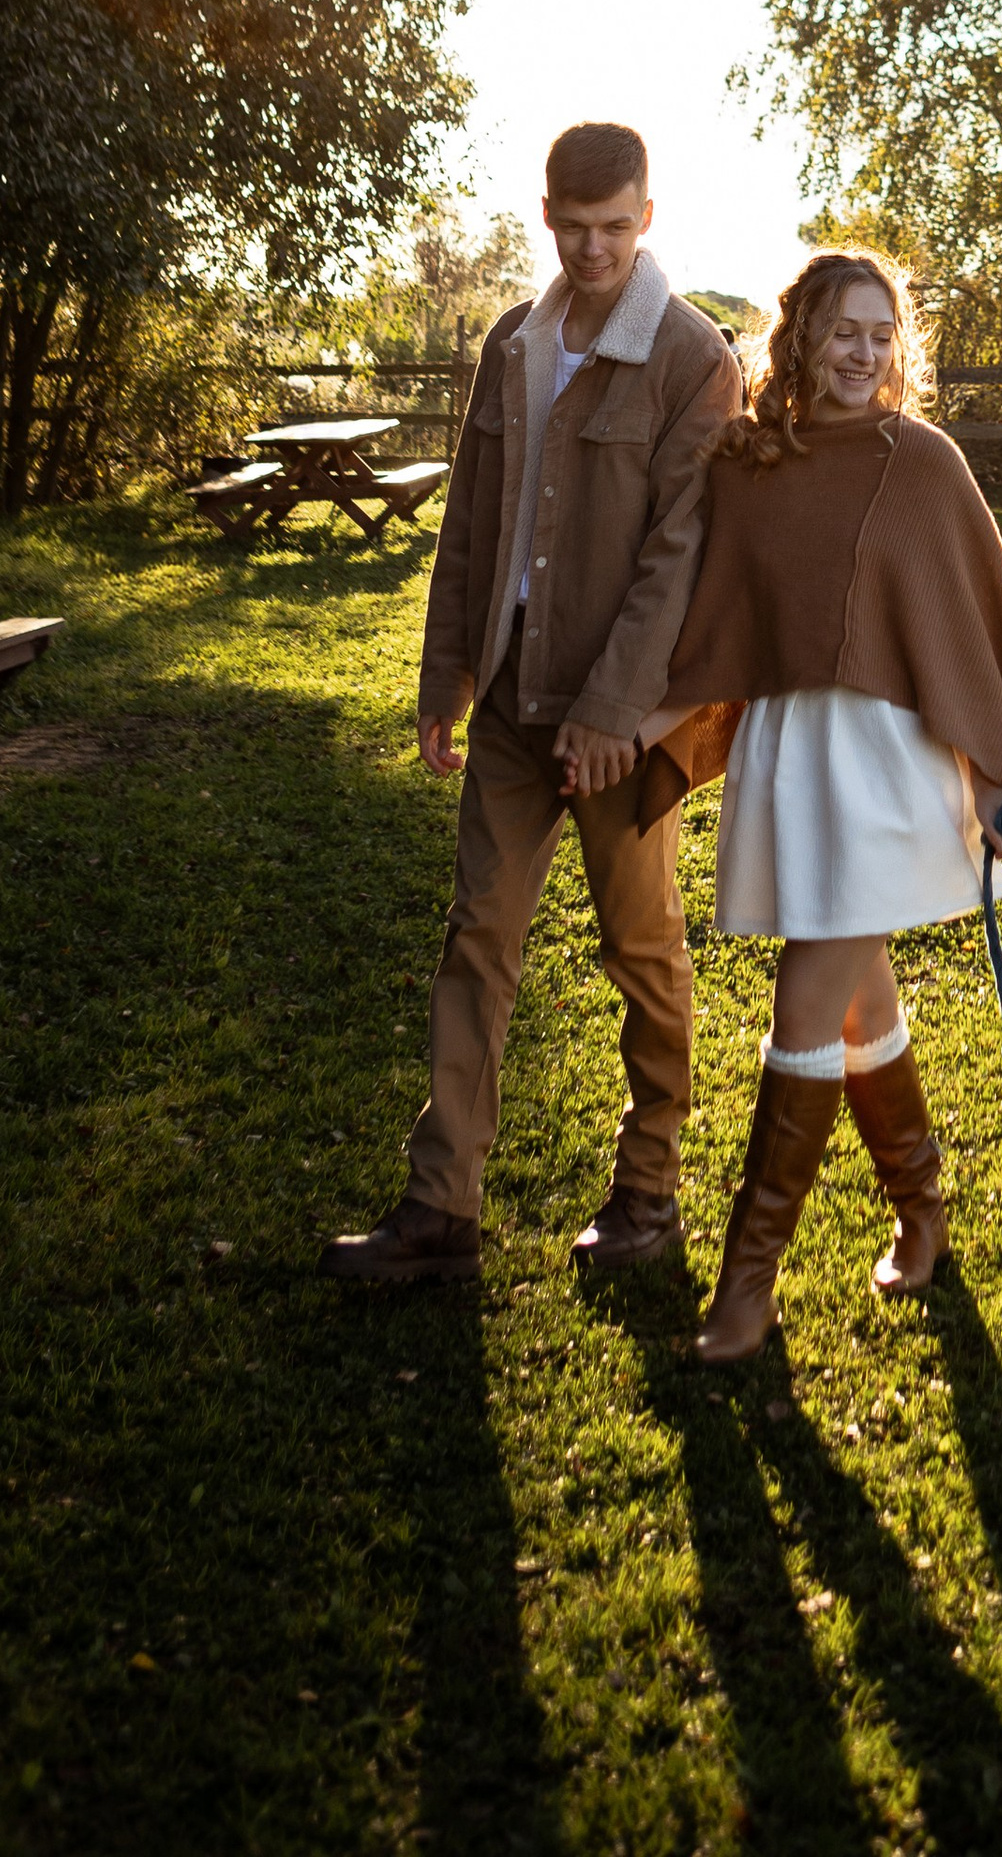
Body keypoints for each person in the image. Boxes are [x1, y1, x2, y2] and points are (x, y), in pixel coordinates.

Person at [320, 120, 744, 1285]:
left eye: (614, 226)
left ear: (646, 217)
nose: (593, 248)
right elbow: (468, 523)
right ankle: (440, 1209)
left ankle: (647, 1193)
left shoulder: (692, 357)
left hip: (620, 725)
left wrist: (613, 712)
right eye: (574, 226)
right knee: (477, 941)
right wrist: (445, 674)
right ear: (546, 215)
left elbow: (679, 554)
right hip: (510, 697)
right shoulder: (512, 342)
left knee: (641, 950)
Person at [641, 245, 1002, 1364]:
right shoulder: (749, 460)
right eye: (843, 334)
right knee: (861, 1004)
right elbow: (715, 613)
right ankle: (922, 1209)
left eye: (881, 335)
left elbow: (972, 620)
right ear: (801, 340)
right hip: (791, 758)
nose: (864, 354)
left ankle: (746, 1283)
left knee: (805, 1000)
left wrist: (998, 770)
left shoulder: (922, 461)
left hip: (894, 767)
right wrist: (635, 718)